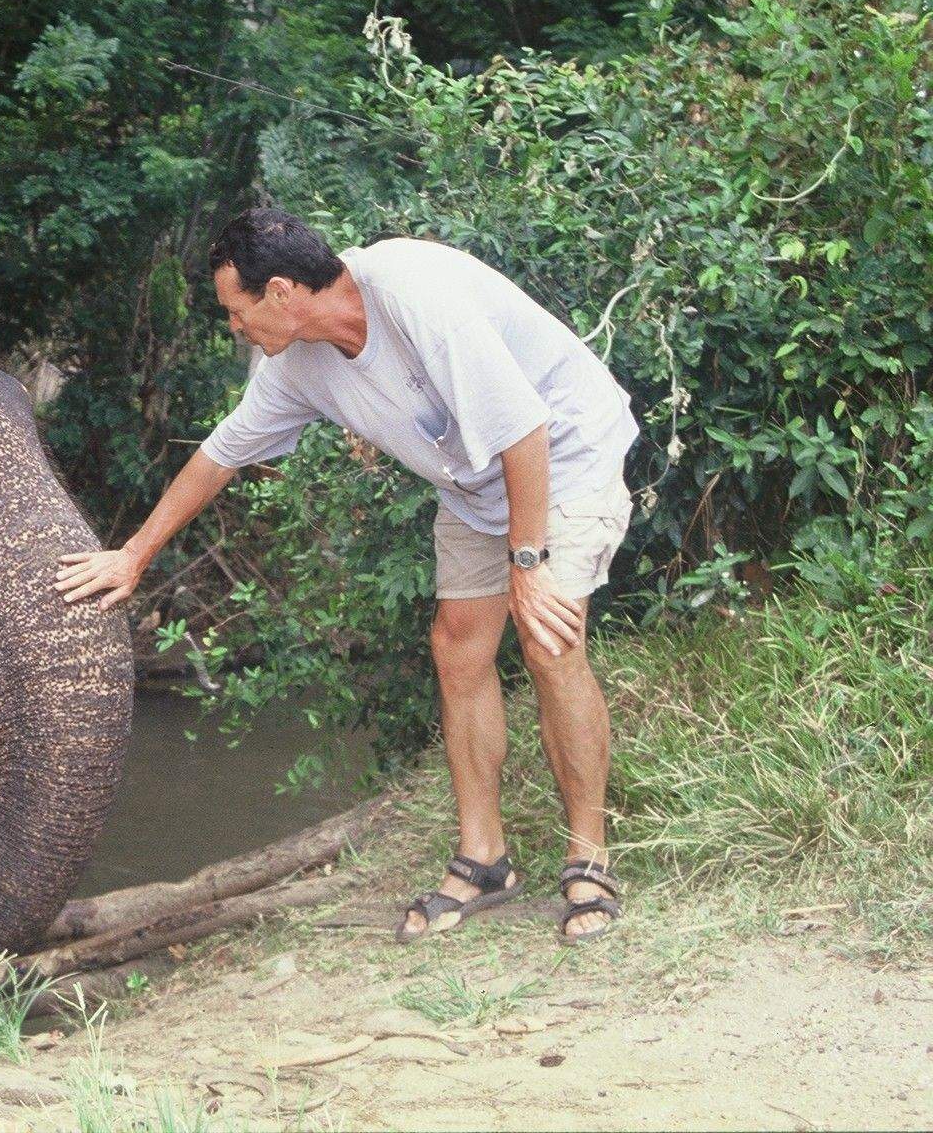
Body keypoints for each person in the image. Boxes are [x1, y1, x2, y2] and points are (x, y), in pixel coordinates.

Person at [55, 207, 639, 943]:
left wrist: (529, 564)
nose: (233, 327)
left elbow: (524, 431)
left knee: (549, 641)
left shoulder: (411, 290)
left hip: (564, 455)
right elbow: (222, 454)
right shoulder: (295, 366)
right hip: (473, 484)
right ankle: (485, 859)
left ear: (279, 292)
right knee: (458, 647)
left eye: (235, 310)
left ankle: (589, 861)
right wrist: (134, 553)